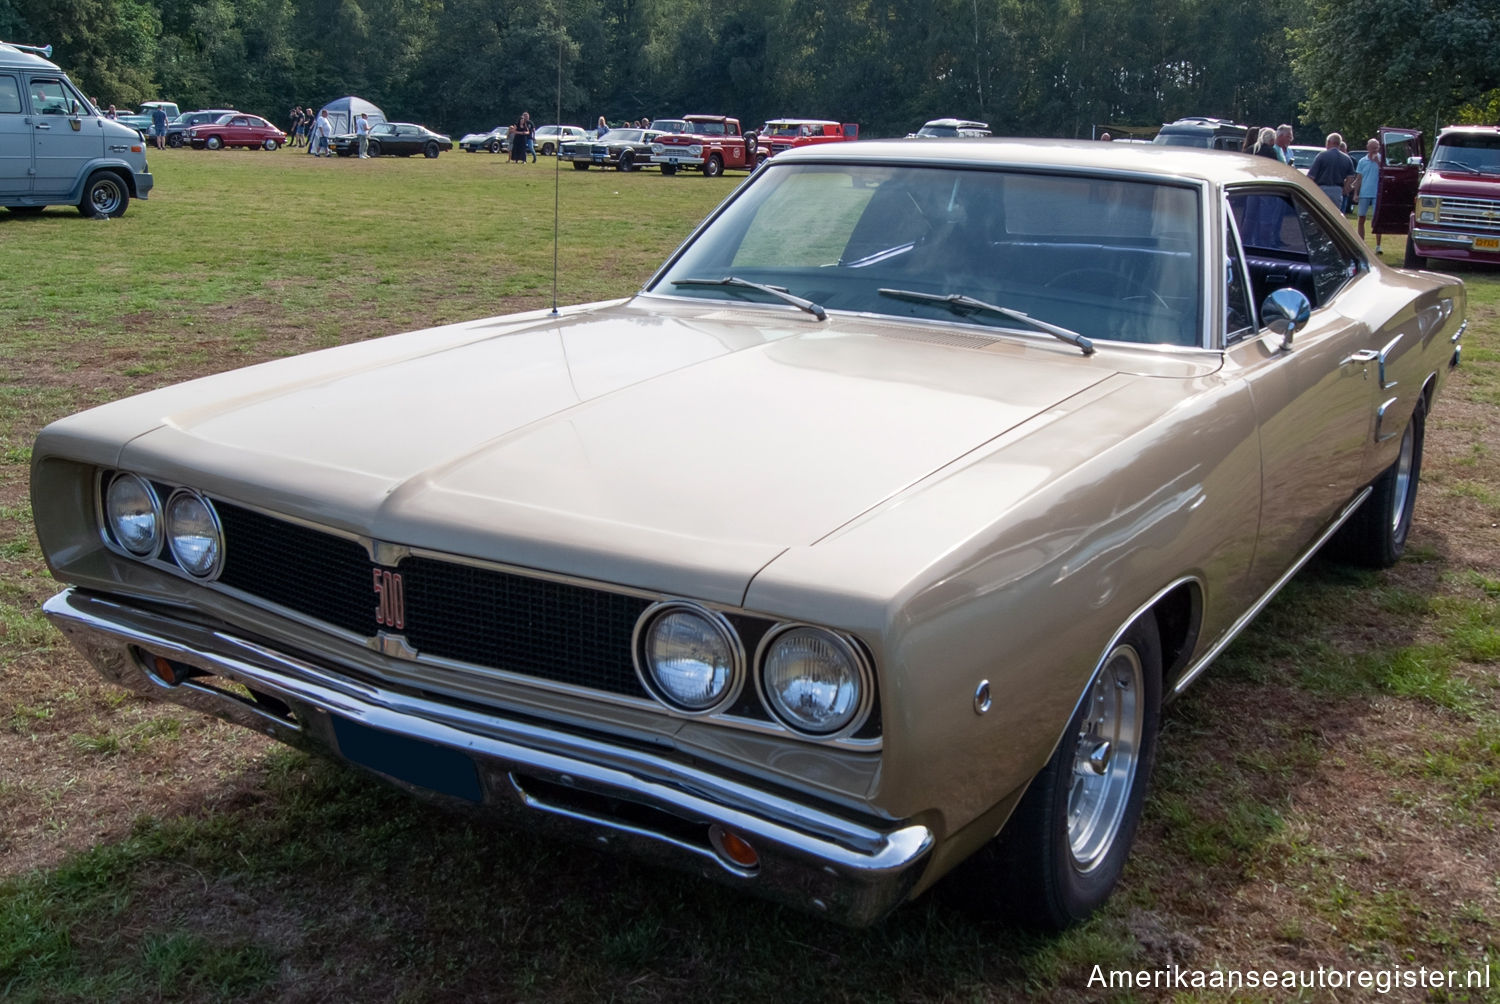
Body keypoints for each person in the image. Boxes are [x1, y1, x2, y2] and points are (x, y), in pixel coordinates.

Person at [1307, 131, 1356, 208]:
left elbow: (1311, 176)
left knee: (1320, 212)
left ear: (1329, 142)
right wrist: (1344, 190)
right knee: (1333, 215)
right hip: (1337, 190)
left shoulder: (1321, 156)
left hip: (1321, 189)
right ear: (1339, 144)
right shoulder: (1346, 158)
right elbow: (1351, 177)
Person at [1355, 137, 1384, 253]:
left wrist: (1378, 162)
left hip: (1377, 193)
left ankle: (1378, 246)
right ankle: (1361, 244)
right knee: (1361, 217)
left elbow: (1385, 173)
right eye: (1372, 148)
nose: (1374, 151)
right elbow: (1359, 178)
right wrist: (1356, 193)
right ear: (1368, 148)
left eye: (1376, 148)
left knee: (1377, 220)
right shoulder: (1362, 161)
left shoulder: (1382, 160)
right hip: (1365, 193)